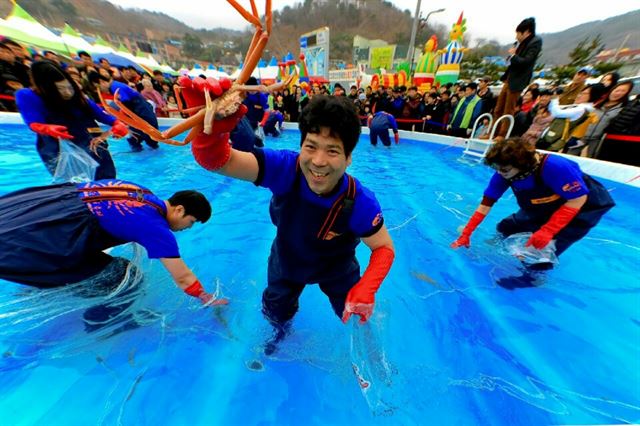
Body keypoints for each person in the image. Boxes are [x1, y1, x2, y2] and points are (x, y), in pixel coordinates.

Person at [190, 94, 395, 352]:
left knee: (356, 315)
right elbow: (219, 162)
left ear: (349, 157)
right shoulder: (286, 168)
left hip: (337, 267)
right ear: (301, 146)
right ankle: (278, 335)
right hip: (287, 259)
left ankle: (369, 353)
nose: (318, 161)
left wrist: (367, 287)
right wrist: (212, 132)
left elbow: (383, 247)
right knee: (276, 312)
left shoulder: (360, 201)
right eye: (311, 147)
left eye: (332, 150)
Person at [0, 179, 223, 308]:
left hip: (37, 207)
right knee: (123, 278)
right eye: (191, 222)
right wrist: (206, 297)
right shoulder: (156, 228)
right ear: (179, 209)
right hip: (50, 234)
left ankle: (38, 285)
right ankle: (104, 325)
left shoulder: (142, 192)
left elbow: (112, 215)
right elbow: (183, 277)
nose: (187, 228)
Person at [451, 138, 614, 276]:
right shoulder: (504, 171)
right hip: (543, 202)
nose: (500, 173)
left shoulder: (556, 167)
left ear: (522, 165)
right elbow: (486, 204)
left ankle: (534, 278)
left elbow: (578, 199)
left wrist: (549, 230)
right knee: (506, 227)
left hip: (582, 205)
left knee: (540, 256)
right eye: (497, 169)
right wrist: (466, 233)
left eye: (504, 170)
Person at [16, 61, 128, 180]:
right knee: (75, 182)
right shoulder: (28, 95)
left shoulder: (78, 98)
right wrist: (45, 128)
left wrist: (117, 123)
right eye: (60, 89)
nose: (68, 93)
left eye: (69, 87)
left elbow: (99, 113)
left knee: (107, 178)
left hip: (93, 144)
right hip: (58, 148)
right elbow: (32, 120)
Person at [493, 18, 542, 136]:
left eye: (518, 33)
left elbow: (526, 61)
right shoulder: (521, 43)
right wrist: (511, 58)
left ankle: (502, 135)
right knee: (498, 108)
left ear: (526, 32)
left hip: (518, 81)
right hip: (509, 79)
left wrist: (514, 56)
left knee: (508, 110)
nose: (516, 37)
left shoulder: (535, 42)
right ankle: (492, 132)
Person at [89, 71, 160, 152]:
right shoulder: (115, 85)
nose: (99, 90)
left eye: (98, 87)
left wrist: (119, 118)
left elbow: (125, 102)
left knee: (139, 139)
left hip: (142, 113)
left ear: (102, 82)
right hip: (142, 113)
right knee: (146, 140)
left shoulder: (115, 87)